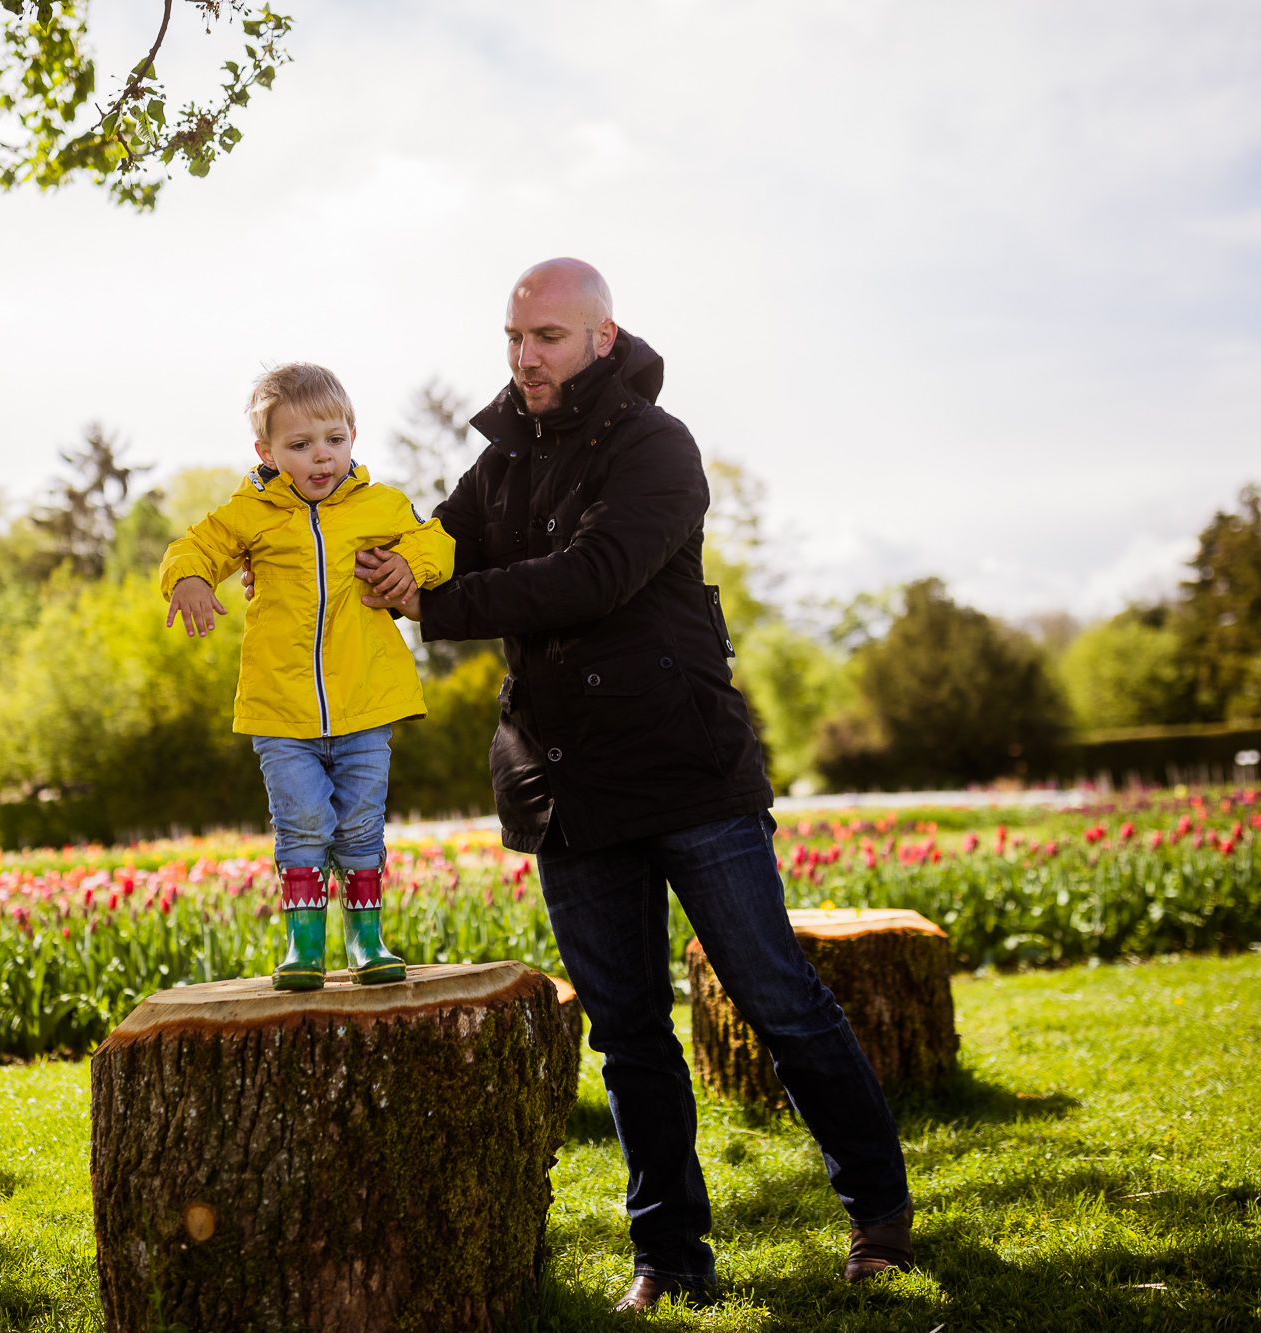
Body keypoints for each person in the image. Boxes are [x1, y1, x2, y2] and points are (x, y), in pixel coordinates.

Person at [354, 260, 915, 1308]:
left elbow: (592, 575)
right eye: (513, 337)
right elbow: (430, 547)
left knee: (777, 999)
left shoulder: (657, 447)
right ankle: (668, 1255)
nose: (524, 357)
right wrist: (323, 537)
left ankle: (877, 1212)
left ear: (602, 338)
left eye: (548, 337)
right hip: (567, 790)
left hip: (684, 770)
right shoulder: (500, 465)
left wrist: (432, 604)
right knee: (626, 1038)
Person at [161, 362, 455, 991]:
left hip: (367, 705)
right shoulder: (252, 513)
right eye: (299, 445)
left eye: (334, 439)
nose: (321, 457)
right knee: (302, 826)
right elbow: (196, 545)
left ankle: (367, 940)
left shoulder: (381, 505)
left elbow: (437, 543)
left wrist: (411, 562)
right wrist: (187, 576)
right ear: (266, 451)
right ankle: (303, 947)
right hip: (281, 712)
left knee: (360, 826)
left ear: (353, 433)